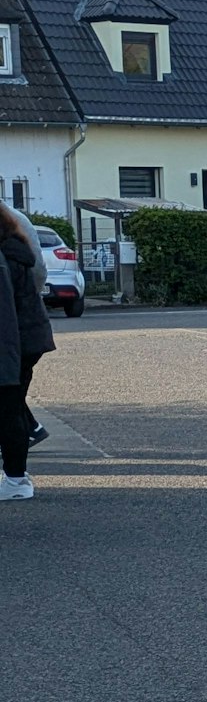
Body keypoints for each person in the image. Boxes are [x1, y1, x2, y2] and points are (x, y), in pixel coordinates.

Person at [1, 206, 55, 500]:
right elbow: (38, 277)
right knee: (11, 406)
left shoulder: (4, 257)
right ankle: (16, 477)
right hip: (26, 335)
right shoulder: (16, 239)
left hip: (13, 339)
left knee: (8, 408)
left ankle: (15, 481)